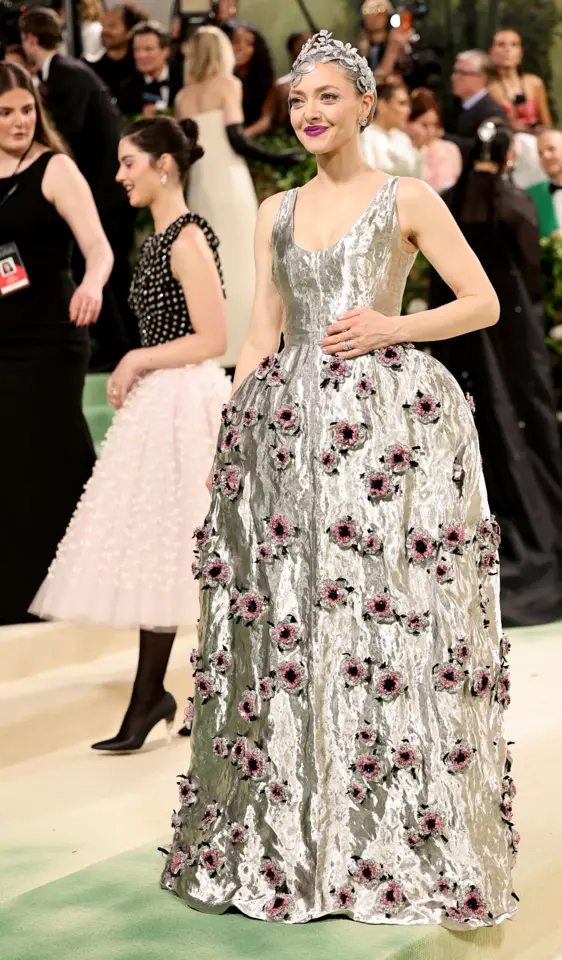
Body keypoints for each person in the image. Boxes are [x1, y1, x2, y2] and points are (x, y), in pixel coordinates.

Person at [161, 30, 518, 927]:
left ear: (365, 104)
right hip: (284, 438)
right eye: (299, 100)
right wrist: (228, 441)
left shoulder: (409, 198)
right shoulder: (273, 210)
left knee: (376, 616)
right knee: (288, 623)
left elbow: (483, 302)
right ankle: (286, 833)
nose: (312, 113)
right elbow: (257, 338)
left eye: (328, 97)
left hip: (381, 437)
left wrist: (391, 328)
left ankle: (379, 837)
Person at [31, 116, 231, 753]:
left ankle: (183, 697)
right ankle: (155, 698)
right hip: (164, 401)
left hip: (187, 400)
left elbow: (214, 339)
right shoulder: (162, 237)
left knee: (192, 552)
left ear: (163, 164)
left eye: (127, 163)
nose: (118, 175)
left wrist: (138, 359)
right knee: (166, 551)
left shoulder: (187, 239)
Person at [429, 118, 562, 627]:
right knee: (525, 429)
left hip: (459, 342)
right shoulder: (515, 203)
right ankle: (542, 549)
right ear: (507, 156)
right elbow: (531, 277)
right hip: (513, 341)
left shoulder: (447, 203)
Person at [0, 61, 112, 625]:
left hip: (53, 335)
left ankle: (81, 582)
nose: (19, 121)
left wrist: (91, 285)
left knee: (57, 450)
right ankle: (16, 590)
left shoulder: (55, 167)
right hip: (2, 337)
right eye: (6, 112)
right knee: (9, 460)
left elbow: (99, 249)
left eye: (26, 109)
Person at [176, 27, 300, 371]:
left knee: (213, 266)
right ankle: (250, 345)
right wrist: (279, 157)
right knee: (246, 262)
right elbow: (236, 139)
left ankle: (215, 344)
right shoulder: (229, 86)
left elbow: (187, 151)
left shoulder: (183, 97)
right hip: (229, 183)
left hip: (200, 186)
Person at [20, 6, 136, 366]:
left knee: (111, 274)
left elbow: (65, 138)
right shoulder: (65, 72)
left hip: (106, 194)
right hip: (104, 192)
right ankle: (116, 348)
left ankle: (120, 350)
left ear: (29, 39)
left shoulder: (66, 74)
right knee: (110, 274)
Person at [488, 28, 551, 132]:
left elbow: (547, 124)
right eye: (501, 45)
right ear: (491, 52)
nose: (507, 50)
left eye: (514, 45)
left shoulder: (534, 83)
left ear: (520, 53)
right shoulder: (488, 88)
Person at [445, 50, 507, 158]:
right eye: (455, 72)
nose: (454, 77)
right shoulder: (453, 105)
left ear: (481, 78)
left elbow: (485, 148)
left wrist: (442, 137)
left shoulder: (492, 112)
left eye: (461, 73)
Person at [118, 20, 182, 116]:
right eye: (137, 50)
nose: (141, 55)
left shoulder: (184, 79)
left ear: (165, 52)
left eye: (148, 49)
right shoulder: (127, 89)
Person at [89, 3, 148, 103]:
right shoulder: (92, 70)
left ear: (130, 32)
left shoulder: (141, 68)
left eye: (112, 26)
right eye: (103, 26)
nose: (105, 31)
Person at [360, 81, 421, 176]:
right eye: (402, 104)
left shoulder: (403, 139)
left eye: (408, 105)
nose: (408, 111)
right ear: (382, 105)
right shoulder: (365, 136)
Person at [407, 87, 462, 193]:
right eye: (424, 125)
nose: (431, 131)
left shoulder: (450, 149)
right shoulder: (403, 149)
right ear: (408, 122)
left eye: (434, 124)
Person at [228, 20, 276, 137]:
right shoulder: (222, 79)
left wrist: (241, 137)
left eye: (249, 43)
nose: (241, 47)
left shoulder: (265, 80)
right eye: (235, 41)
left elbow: (266, 120)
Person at [358, 0, 412, 83]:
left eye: (380, 11)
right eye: (367, 12)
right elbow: (376, 80)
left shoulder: (398, 40)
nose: (373, 16)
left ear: (389, 16)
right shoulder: (357, 47)